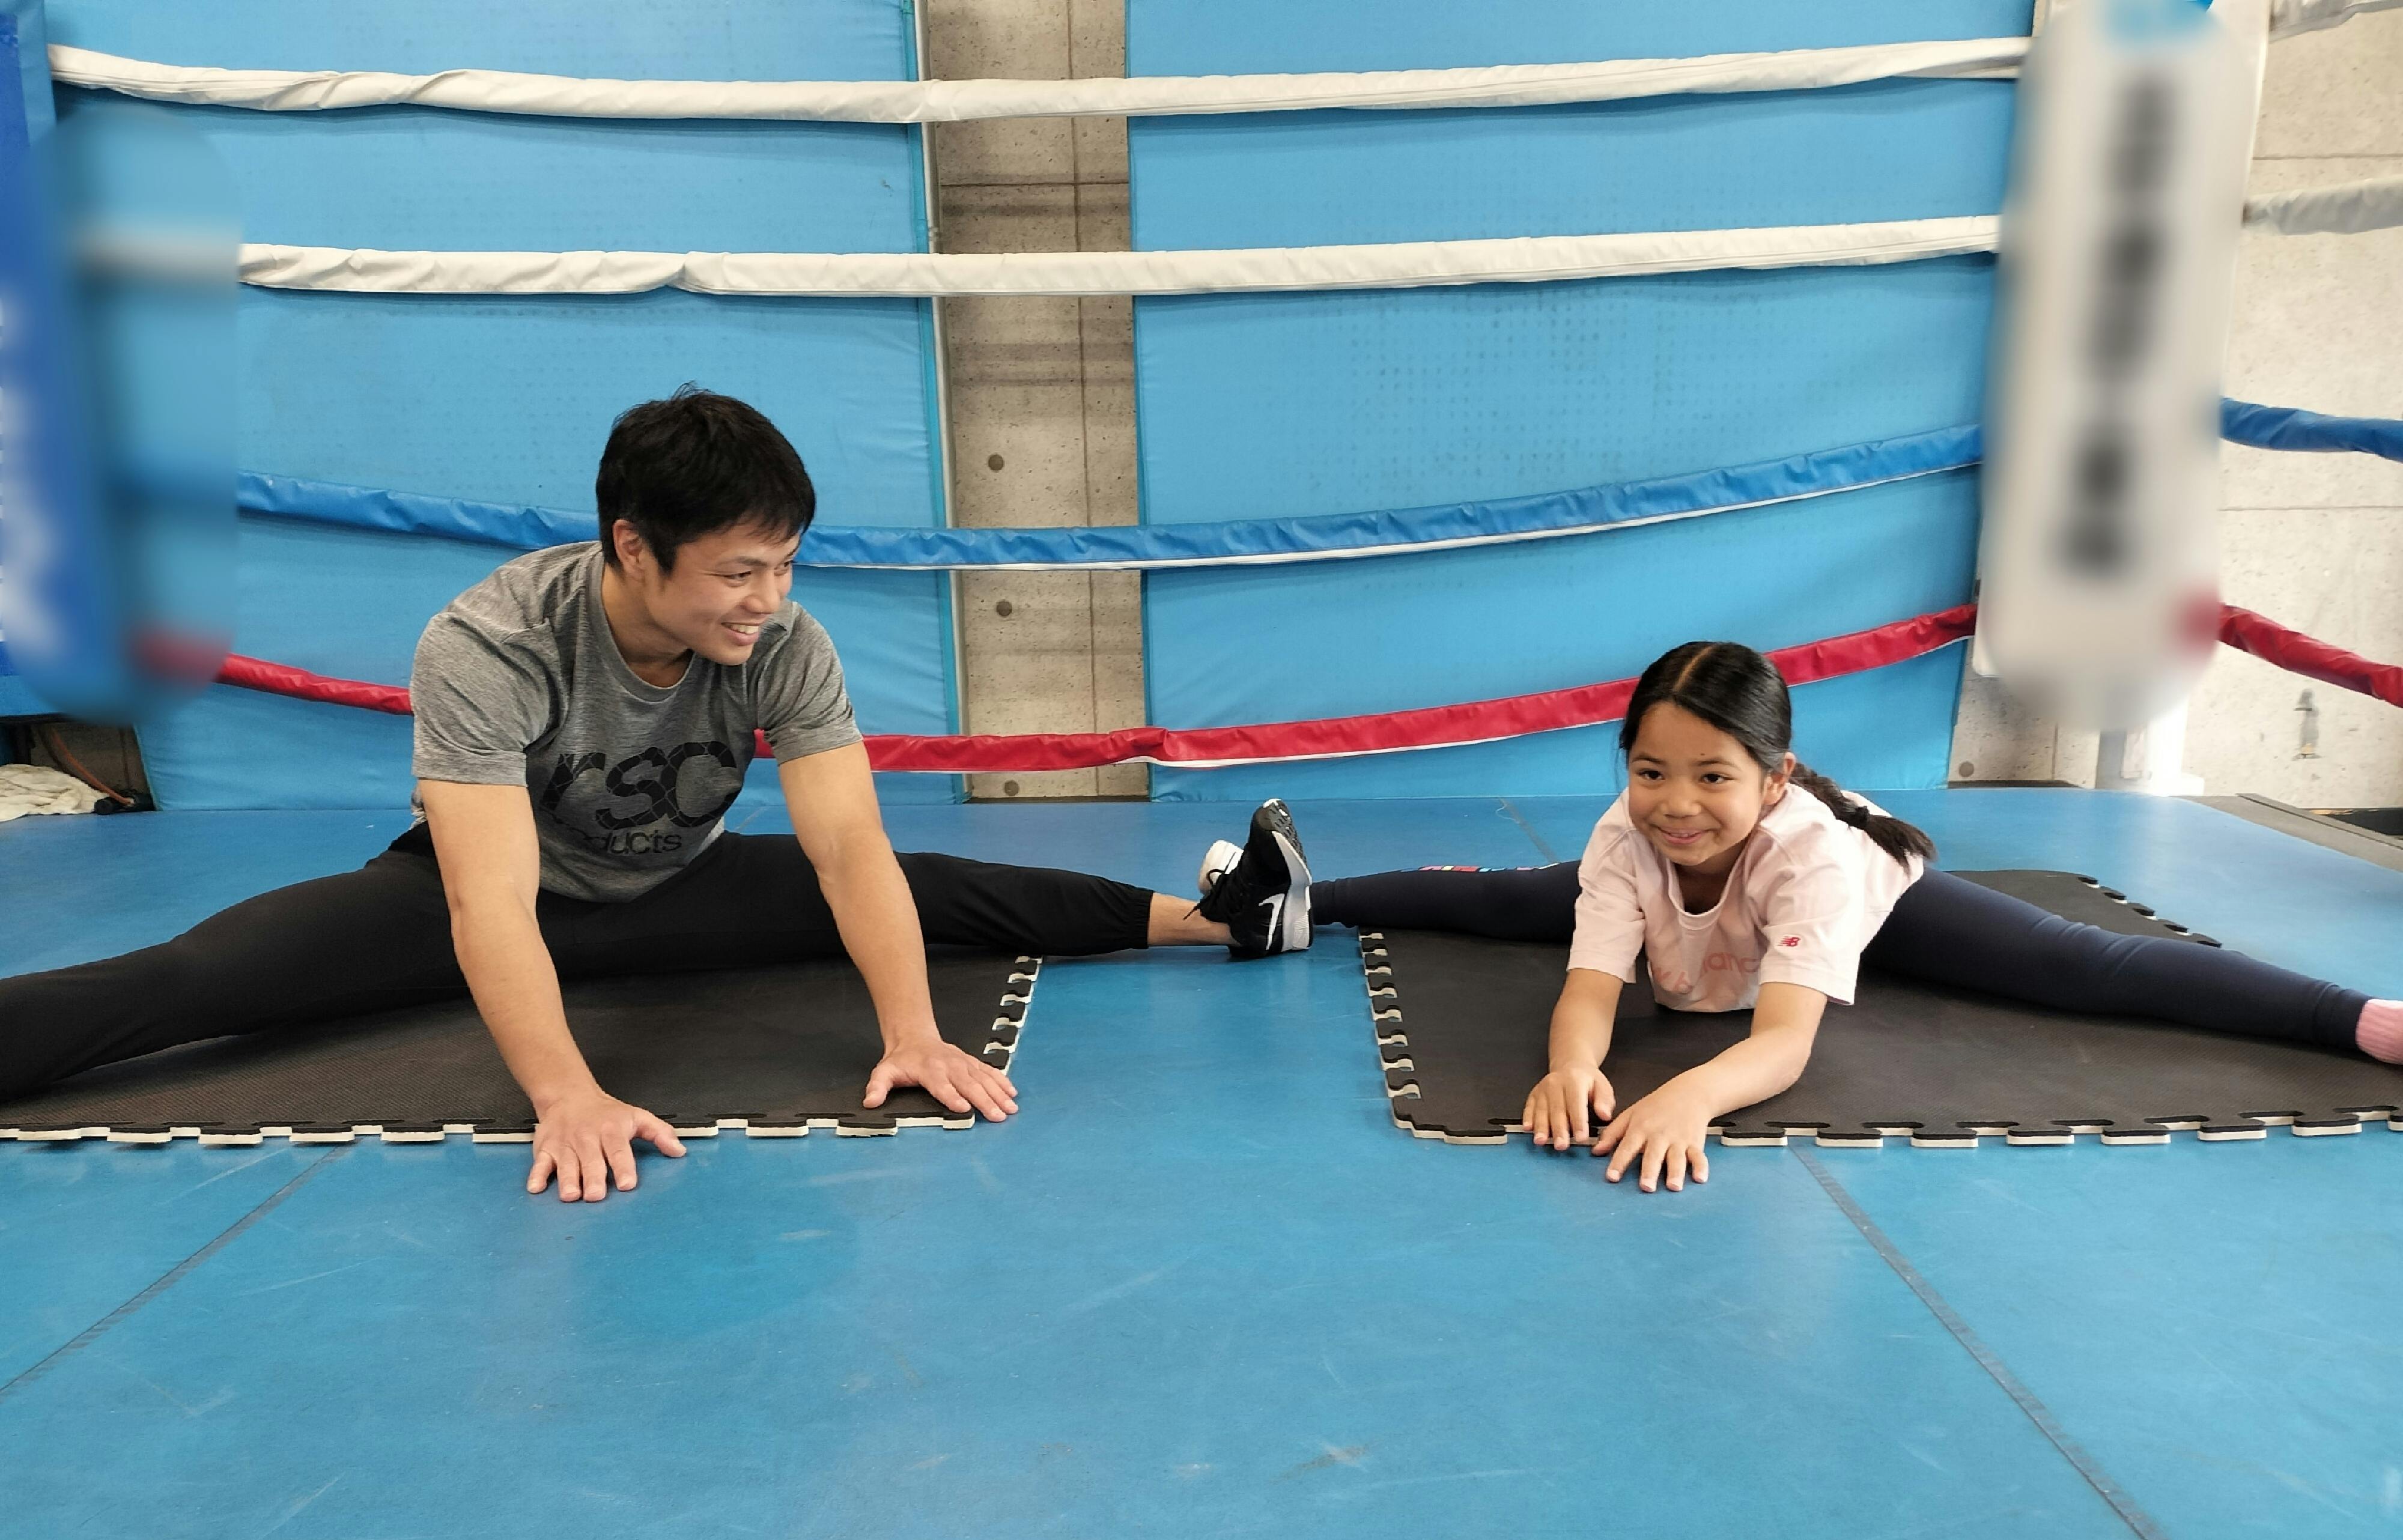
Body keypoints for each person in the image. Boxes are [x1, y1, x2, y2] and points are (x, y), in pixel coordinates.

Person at [0, 388, 1313, 1201]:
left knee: (937, 886)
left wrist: (912, 1033)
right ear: (633, 546)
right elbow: (489, 901)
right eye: (739, 571)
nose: (768, 601)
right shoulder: (491, 642)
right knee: (201, 983)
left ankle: (1225, 918)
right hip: (485, 899)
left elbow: (849, 849)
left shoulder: (783, 642)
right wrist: (566, 1094)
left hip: (676, 884)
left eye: (785, 566)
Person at [1249, 640, 2403, 1195]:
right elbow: (1590, 987)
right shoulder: (1629, 837)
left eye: (1713, 777)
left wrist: (1687, 1097)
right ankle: (1295, 899)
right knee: (1507, 900)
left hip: (1863, 910)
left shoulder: (1816, 858)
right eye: (1650, 772)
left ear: (1775, 781)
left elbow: (1786, 1043)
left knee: (2087, 965)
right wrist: (1570, 1068)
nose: (1676, 803)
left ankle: (2360, 1017)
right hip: (1689, 905)